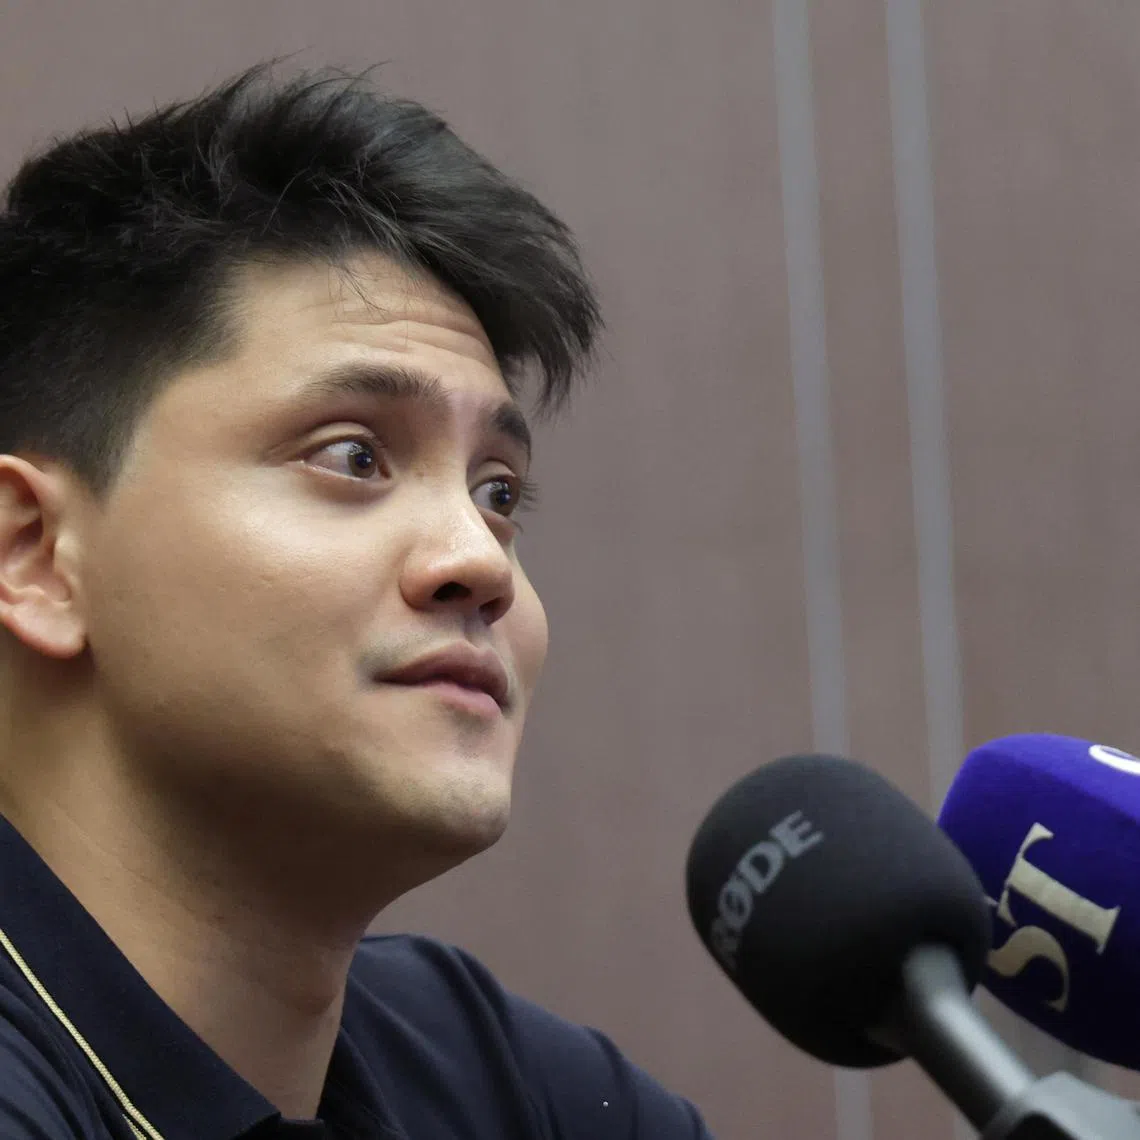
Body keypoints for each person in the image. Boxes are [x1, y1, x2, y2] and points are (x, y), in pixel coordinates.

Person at [0, 59, 714, 1139]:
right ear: (36, 555)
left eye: (500, 491)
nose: (480, 559)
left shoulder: (498, 1082)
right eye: (354, 456)